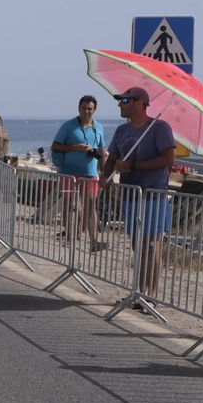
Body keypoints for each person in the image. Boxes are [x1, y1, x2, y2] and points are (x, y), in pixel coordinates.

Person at [101, 86, 176, 310]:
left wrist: (133, 166)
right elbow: (112, 159)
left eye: (125, 101)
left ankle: (151, 295)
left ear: (140, 103)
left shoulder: (159, 128)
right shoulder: (122, 131)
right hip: (131, 195)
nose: (120, 104)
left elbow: (167, 159)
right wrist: (106, 176)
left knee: (151, 243)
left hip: (153, 194)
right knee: (137, 243)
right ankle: (139, 291)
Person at [51, 95, 107, 253]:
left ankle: (94, 242)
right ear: (78, 109)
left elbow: (102, 151)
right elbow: (55, 146)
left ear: (94, 110)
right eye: (84, 108)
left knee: (91, 206)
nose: (86, 111)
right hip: (69, 172)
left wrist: (103, 172)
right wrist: (74, 148)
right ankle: (70, 237)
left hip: (90, 173)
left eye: (89, 109)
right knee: (72, 204)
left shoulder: (98, 127)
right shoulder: (68, 126)